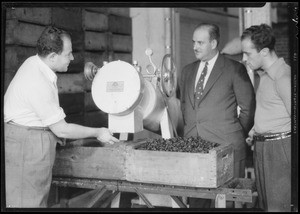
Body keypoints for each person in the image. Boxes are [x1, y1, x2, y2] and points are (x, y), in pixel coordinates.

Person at [4, 26, 120, 208]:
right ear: (52, 57)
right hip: (27, 147)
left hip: (27, 141)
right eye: (68, 54)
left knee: (34, 201)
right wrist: (98, 132)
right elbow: (62, 129)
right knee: (28, 204)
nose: (72, 58)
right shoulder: (37, 81)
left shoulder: (35, 62)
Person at [179, 23, 256, 208]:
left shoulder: (234, 69)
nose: (194, 47)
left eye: (200, 42)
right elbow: (184, 107)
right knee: (197, 201)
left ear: (213, 43)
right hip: (194, 148)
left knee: (226, 203)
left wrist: (234, 133)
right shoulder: (187, 71)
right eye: (193, 42)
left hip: (227, 148)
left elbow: (248, 108)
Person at [241, 24, 291, 212]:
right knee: (266, 206)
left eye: (248, 53)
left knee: (278, 208)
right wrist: (255, 131)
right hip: (262, 148)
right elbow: (270, 111)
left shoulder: (283, 77)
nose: (244, 59)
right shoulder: (265, 76)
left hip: (279, 150)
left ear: (263, 51)